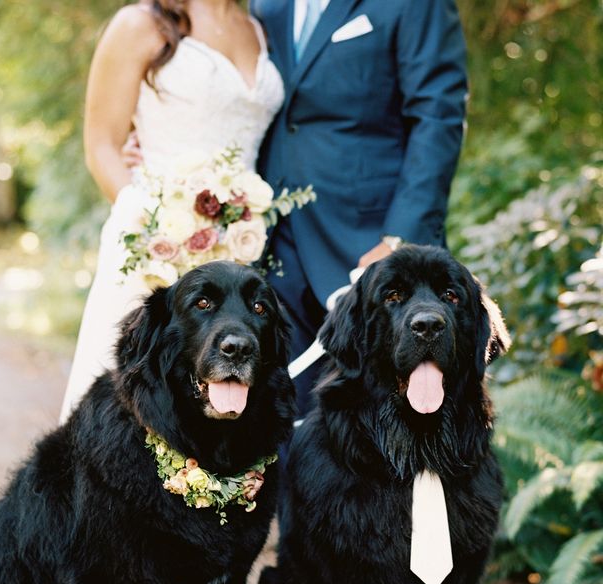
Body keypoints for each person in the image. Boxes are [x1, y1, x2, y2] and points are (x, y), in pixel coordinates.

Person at [59, 0, 284, 422]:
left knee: (224, 406)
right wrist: (155, 229)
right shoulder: (141, 23)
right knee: (128, 400)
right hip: (153, 249)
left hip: (243, 249)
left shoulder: (261, 24)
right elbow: (102, 145)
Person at [251, 0, 468, 413]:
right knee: (276, 414)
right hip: (271, 242)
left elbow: (437, 114)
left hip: (370, 244)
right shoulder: (265, 5)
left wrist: (401, 237)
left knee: (378, 422)